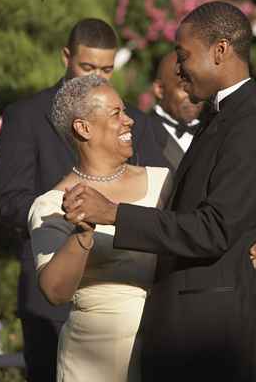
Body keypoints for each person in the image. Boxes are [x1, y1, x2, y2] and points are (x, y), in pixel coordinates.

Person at [61, 1, 256, 381]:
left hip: (215, 338)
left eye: (184, 55)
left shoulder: (252, 125)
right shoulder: (222, 117)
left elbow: (214, 229)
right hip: (194, 328)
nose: (178, 67)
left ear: (220, 50)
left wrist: (114, 213)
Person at [0, 18, 167, 381]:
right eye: (88, 67)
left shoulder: (136, 122)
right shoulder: (25, 115)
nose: (98, 78)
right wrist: (65, 214)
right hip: (58, 283)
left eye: (107, 69)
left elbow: (165, 203)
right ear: (66, 57)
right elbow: (9, 200)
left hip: (151, 312)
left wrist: (115, 209)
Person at [27, 74, 169, 382]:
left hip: (166, 347)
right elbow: (54, 292)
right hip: (93, 359)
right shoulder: (52, 205)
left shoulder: (163, 182)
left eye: (125, 111)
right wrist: (83, 234)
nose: (129, 120)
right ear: (83, 127)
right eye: (116, 113)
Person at [150, 51, 203, 170]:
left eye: (199, 86)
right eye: (184, 87)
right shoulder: (140, 135)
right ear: (159, 89)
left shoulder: (212, 132)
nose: (195, 96)